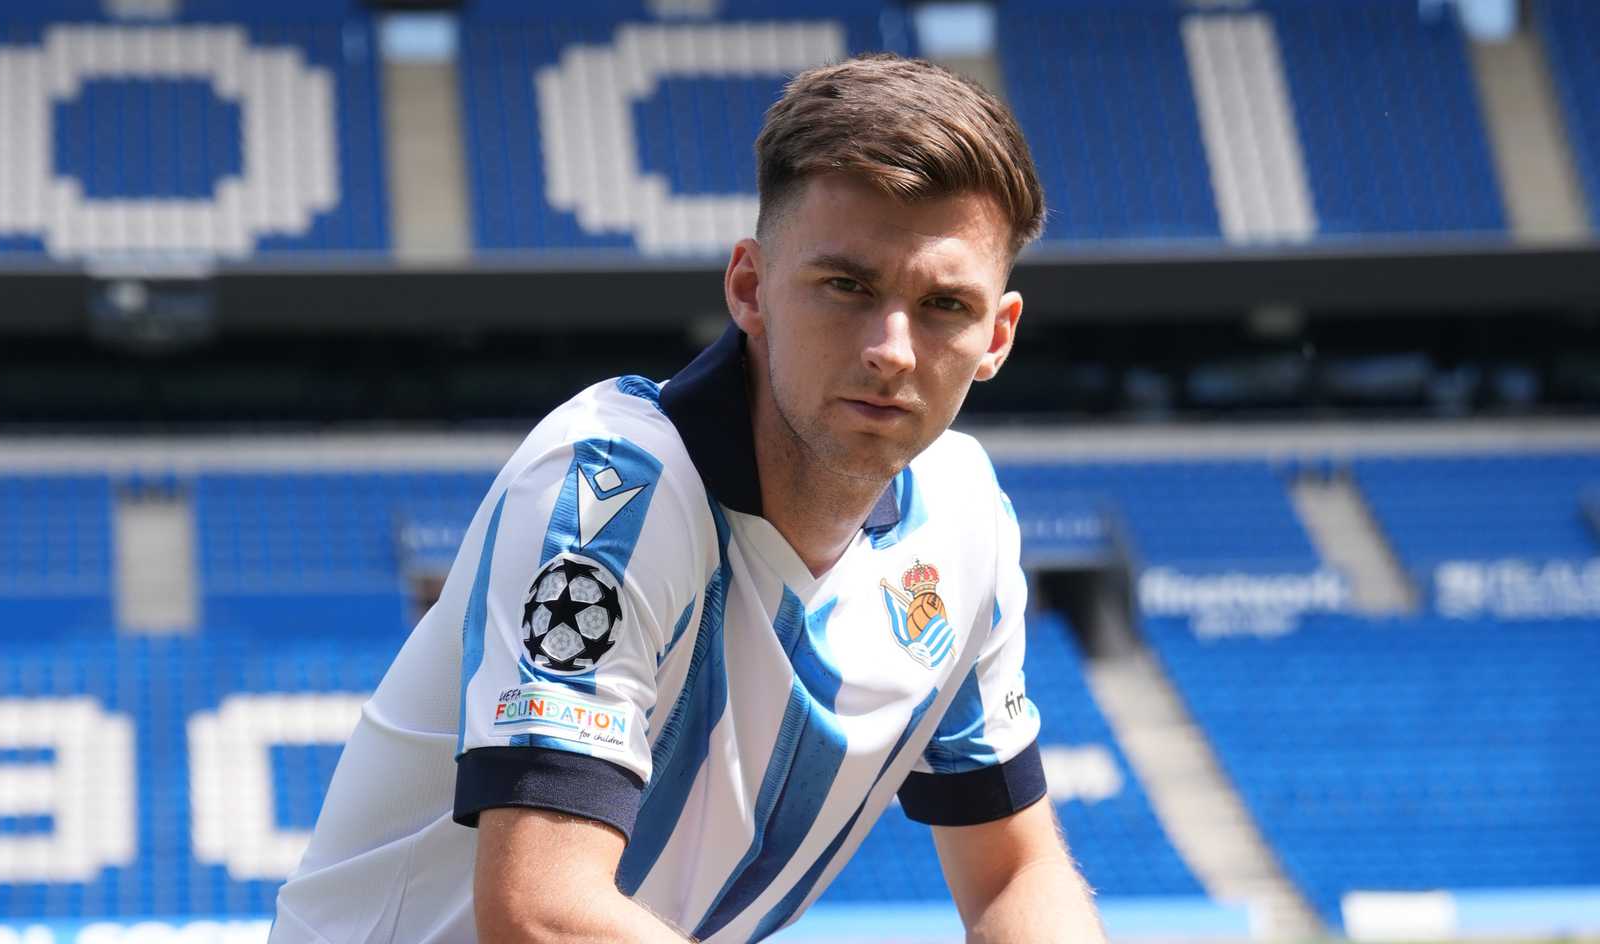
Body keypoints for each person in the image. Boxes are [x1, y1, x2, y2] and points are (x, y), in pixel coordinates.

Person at [272, 53, 1107, 943]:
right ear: (749, 288)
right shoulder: (610, 494)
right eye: (846, 287)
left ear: (998, 335)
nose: (892, 349)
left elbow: (1015, 872)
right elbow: (540, 915)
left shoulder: (964, 516)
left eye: (944, 305)